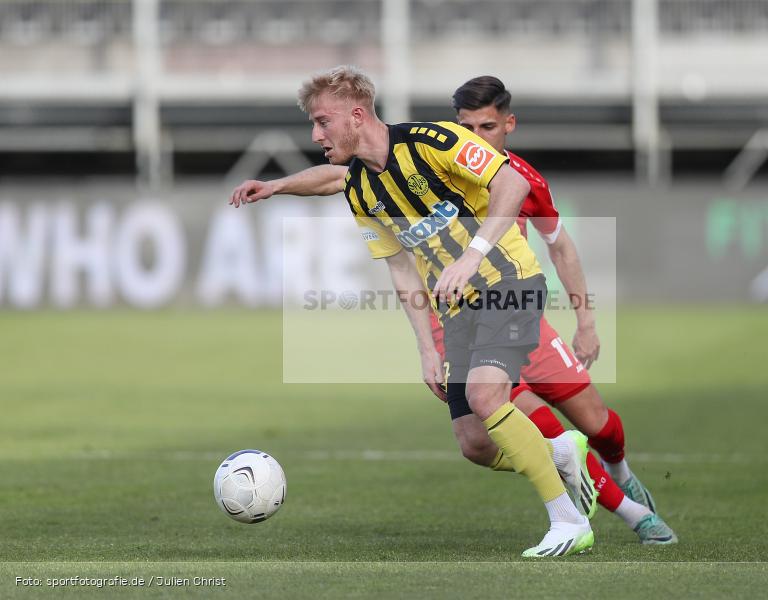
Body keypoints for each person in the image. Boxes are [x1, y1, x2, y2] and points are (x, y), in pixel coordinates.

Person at [229, 65, 594, 557]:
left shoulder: (433, 141)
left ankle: (567, 521)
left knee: (488, 399)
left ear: (356, 116)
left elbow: (512, 186)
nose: (316, 135)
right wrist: (426, 348)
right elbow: (401, 271)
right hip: (457, 311)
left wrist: (472, 255)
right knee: (475, 444)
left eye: (322, 122)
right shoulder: (360, 190)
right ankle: (557, 451)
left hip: (510, 282)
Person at [434, 77, 677, 544]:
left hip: (520, 315)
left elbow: (561, 248)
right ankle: (634, 515)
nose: (476, 138)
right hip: (466, 330)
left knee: (596, 423)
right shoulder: (431, 174)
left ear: (509, 124)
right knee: (542, 431)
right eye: (466, 128)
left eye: (487, 126)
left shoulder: (522, 180)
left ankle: (619, 470)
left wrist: (586, 321)